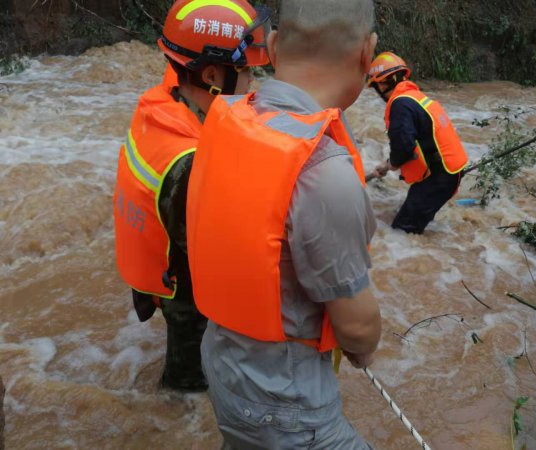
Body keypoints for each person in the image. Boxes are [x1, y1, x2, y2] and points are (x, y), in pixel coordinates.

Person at [186, 0, 381, 448]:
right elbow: (356, 328)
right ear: (367, 55)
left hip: (222, 363)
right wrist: (363, 346)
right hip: (285, 404)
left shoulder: (229, 121)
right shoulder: (323, 170)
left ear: (271, 47)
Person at [112, 0, 269, 392]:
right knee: (192, 379)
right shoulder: (189, 166)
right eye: (246, 70)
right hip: (181, 283)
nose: (252, 81)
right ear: (213, 75)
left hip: (157, 255)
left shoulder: (162, 101)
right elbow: (222, 255)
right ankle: (177, 409)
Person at [368, 52, 469, 234]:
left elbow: (404, 146)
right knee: (411, 222)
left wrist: (392, 163)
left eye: (377, 85)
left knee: (401, 233)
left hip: (438, 177)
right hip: (449, 172)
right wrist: (390, 163)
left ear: (384, 82)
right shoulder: (415, 97)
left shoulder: (399, 104)